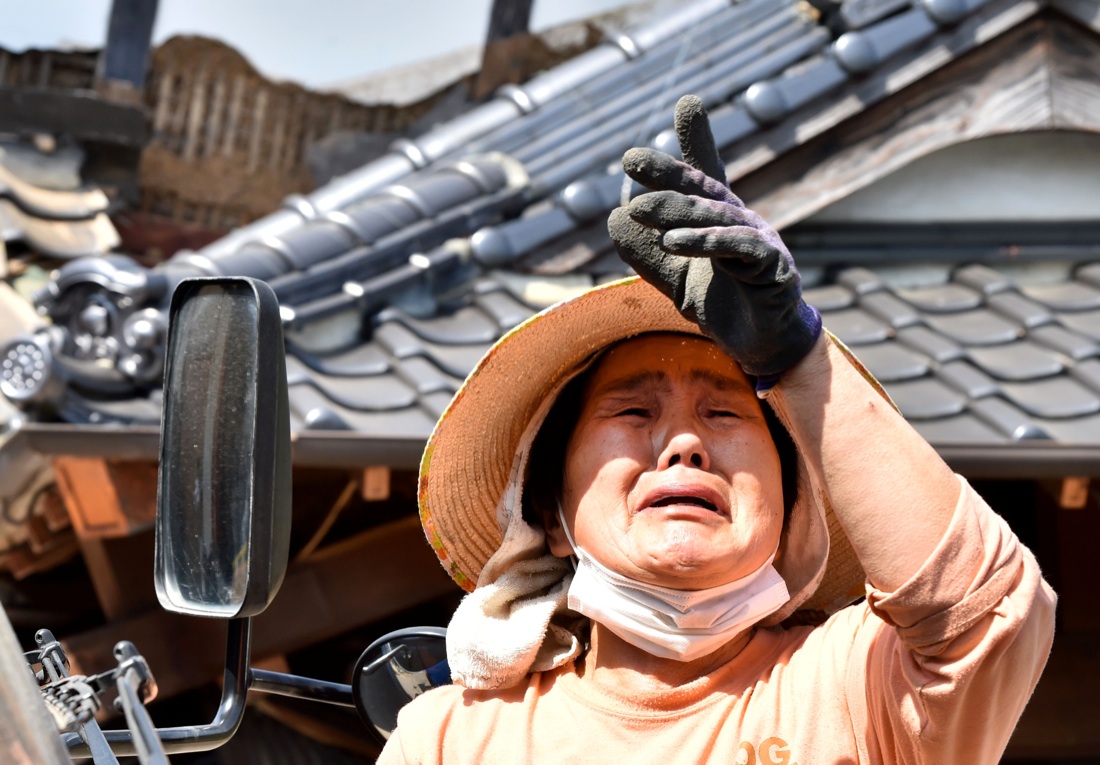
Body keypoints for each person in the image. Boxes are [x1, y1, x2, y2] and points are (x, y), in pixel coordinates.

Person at [377, 96, 1056, 764]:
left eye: (725, 411)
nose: (684, 443)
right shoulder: (451, 740)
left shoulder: (857, 686)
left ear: (794, 511)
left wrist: (798, 358)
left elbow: (988, 613)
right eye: (634, 410)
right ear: (550, 518)